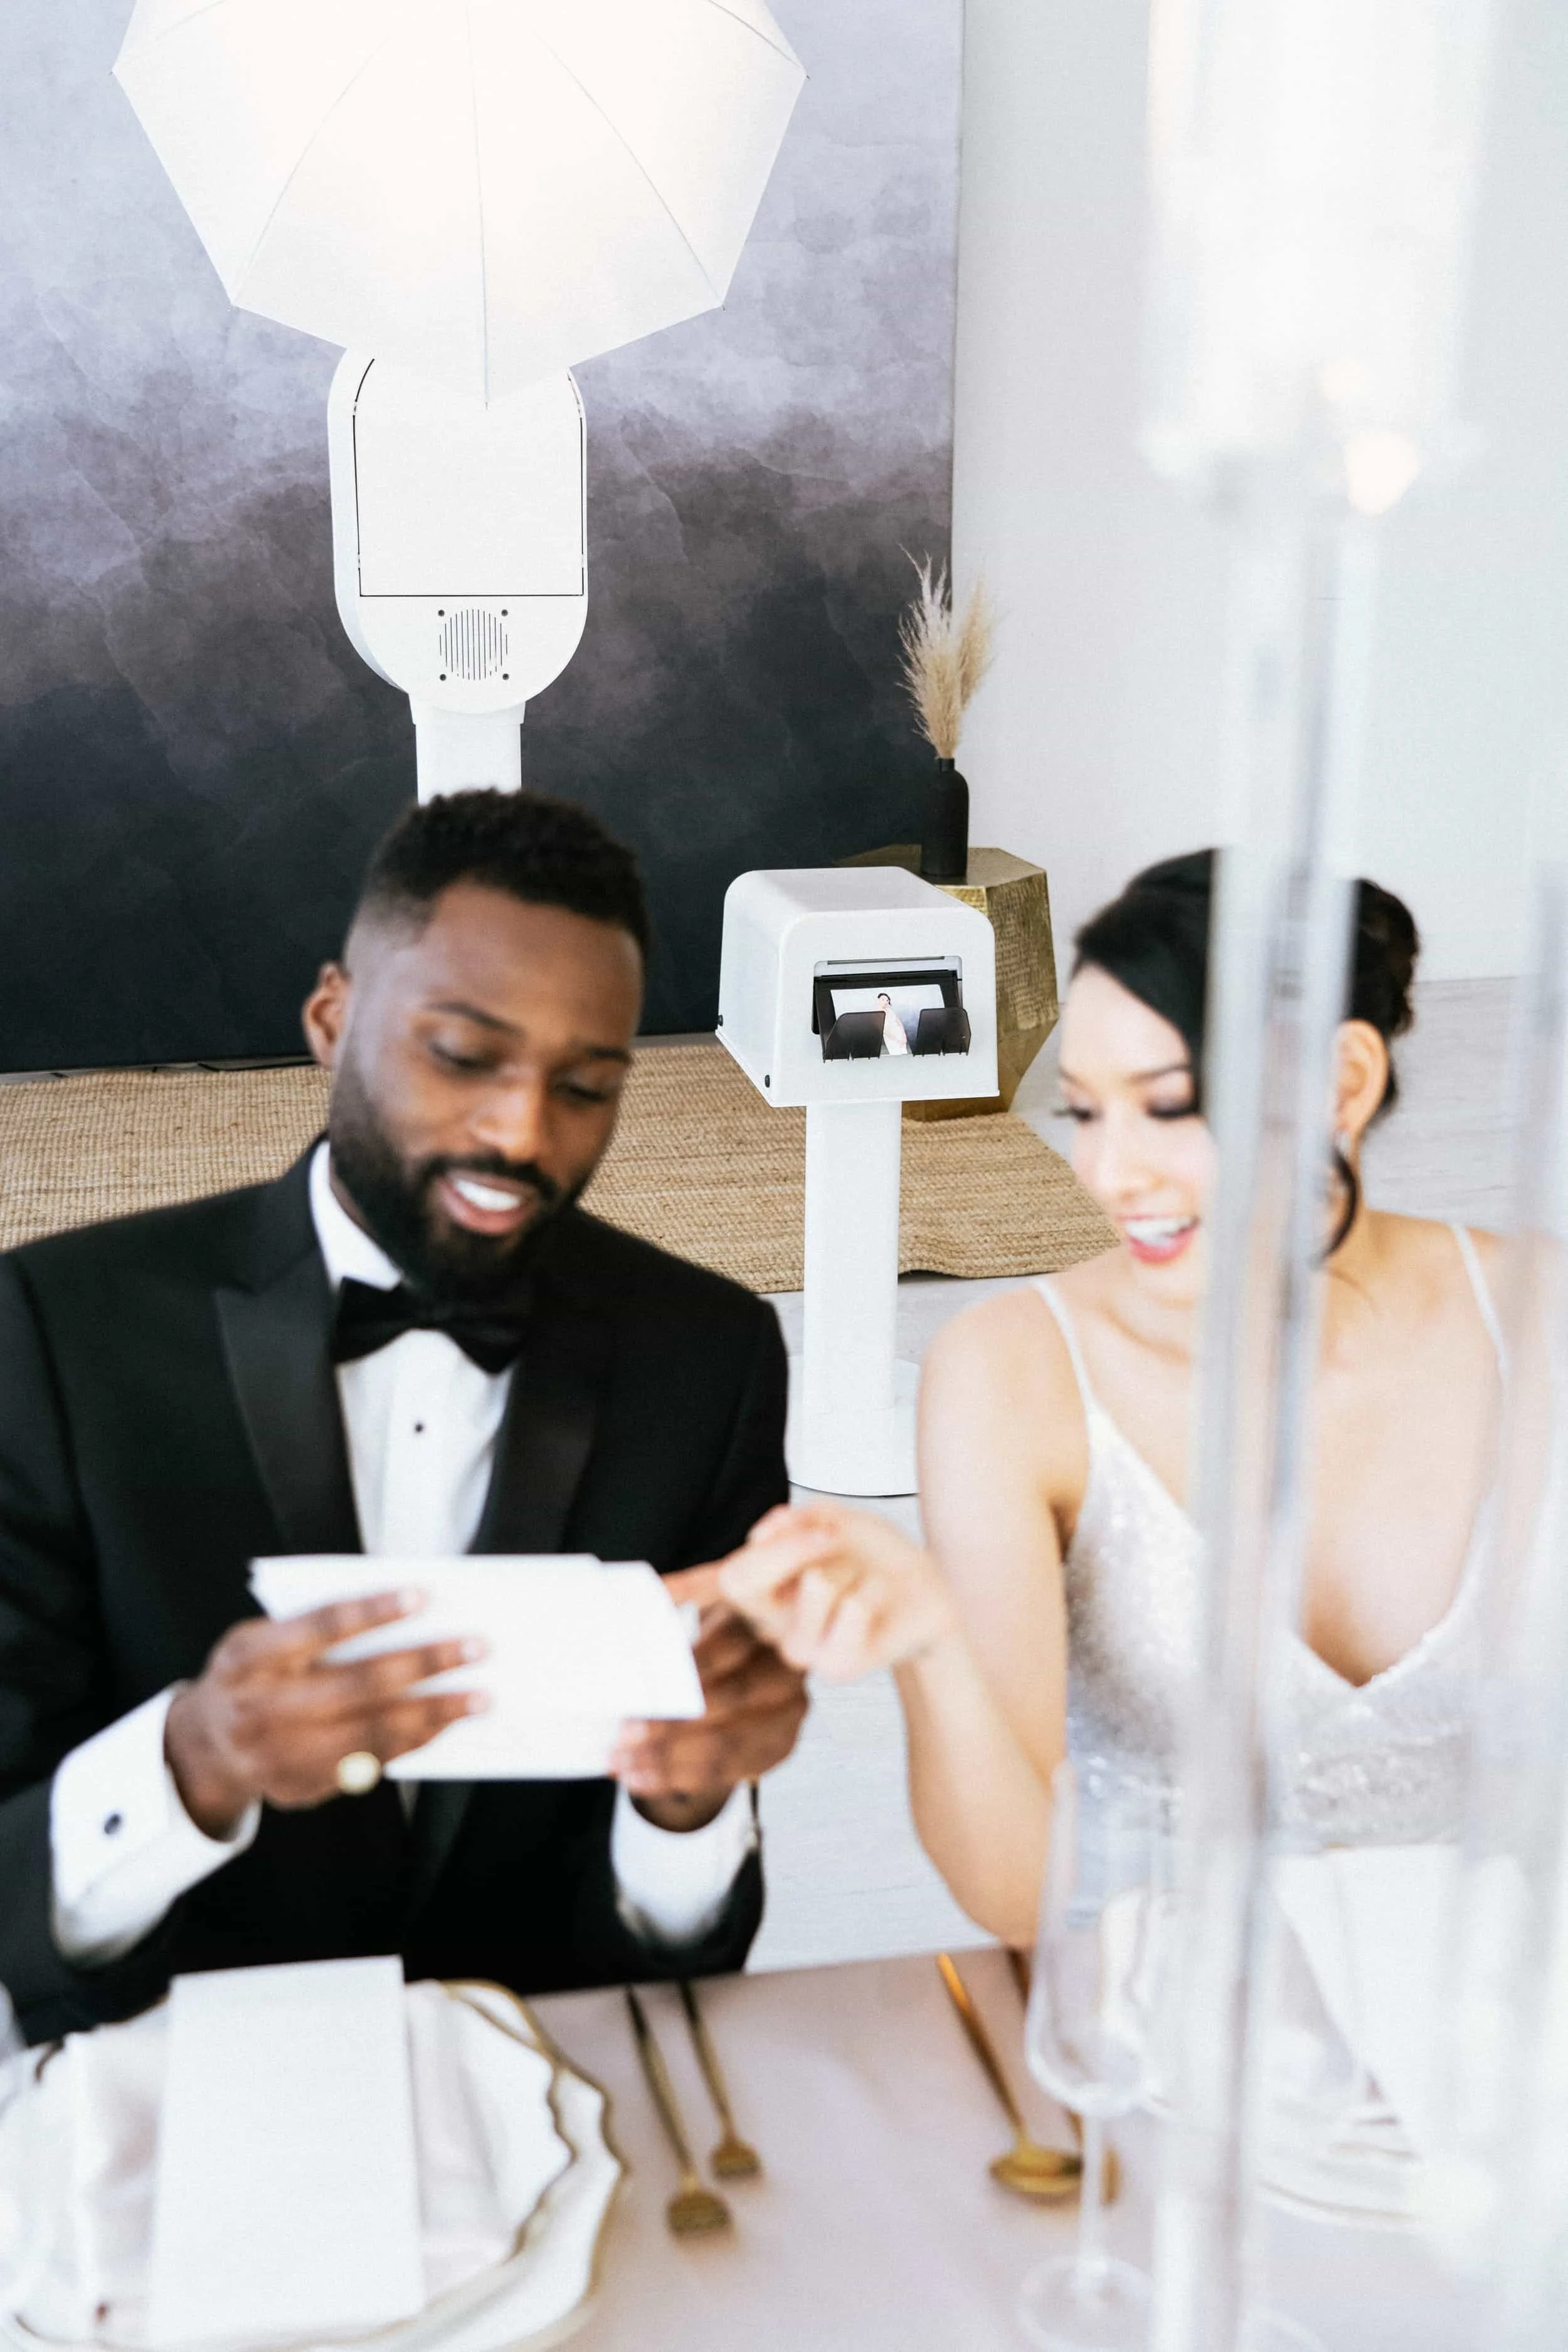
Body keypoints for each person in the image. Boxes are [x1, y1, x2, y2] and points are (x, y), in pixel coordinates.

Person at [0, 789, 806, 2045]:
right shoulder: (56, 1332)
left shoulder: (710, 1357)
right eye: (464, 1055)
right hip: (181, 2085)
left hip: (559, 2084)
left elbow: (688, 1945)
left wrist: (691, 1808)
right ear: (332, 1017)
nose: (520, 1131)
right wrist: (192, 1765)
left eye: (585, 1084)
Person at [705, 850, 1503, 1947]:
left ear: (1344, 1084)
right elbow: (1015, 1893)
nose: (1108, 1171)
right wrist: (934, 1639)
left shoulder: (1533, 1328)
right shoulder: (1010, 1375)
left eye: (1166, 1107)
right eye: (1084, 1111)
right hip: (1154, 2032)